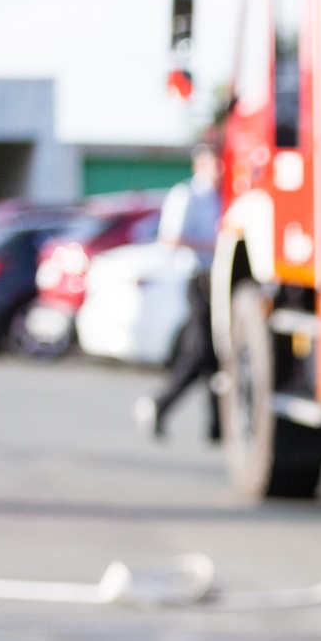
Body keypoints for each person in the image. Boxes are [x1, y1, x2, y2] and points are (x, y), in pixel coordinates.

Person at [136, 144, 222, 442]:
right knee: (201, 352)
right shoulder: (188, 195)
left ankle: (217, 426)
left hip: (218, 281)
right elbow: (170, 238)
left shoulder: (221, 196)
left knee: (208, 354)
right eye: (214, 161)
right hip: (198, 280)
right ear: (200, 163)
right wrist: (211, 247)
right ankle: (162, 405)